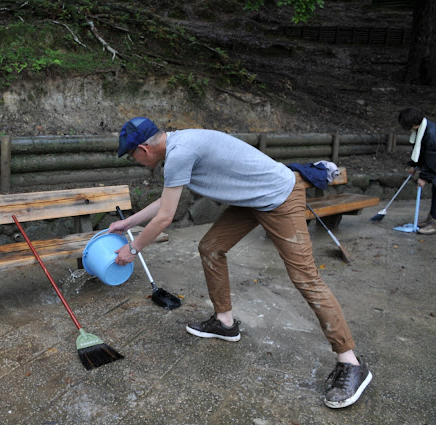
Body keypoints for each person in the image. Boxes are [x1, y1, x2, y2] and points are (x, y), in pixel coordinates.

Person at [108, 117, 372, 409]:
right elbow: (166, 201)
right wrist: (127, 223)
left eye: (133, 156)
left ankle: (350, 362)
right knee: (211, 247)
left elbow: (165, 217)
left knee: (305, 277)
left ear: (143, 149)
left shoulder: (180, 153)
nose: (136, 161)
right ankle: (225, 322)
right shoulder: (180, 144)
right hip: (252, 200)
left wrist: (133, 249)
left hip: (279, 197)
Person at [398, 107, 436, 235]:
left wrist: (423, 177)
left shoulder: (431, 134)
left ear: (413, 124)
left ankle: (435, 223)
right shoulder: (421, 130)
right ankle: (432, 218)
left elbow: (431, 158)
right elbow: (421, 151)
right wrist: (414, 165)